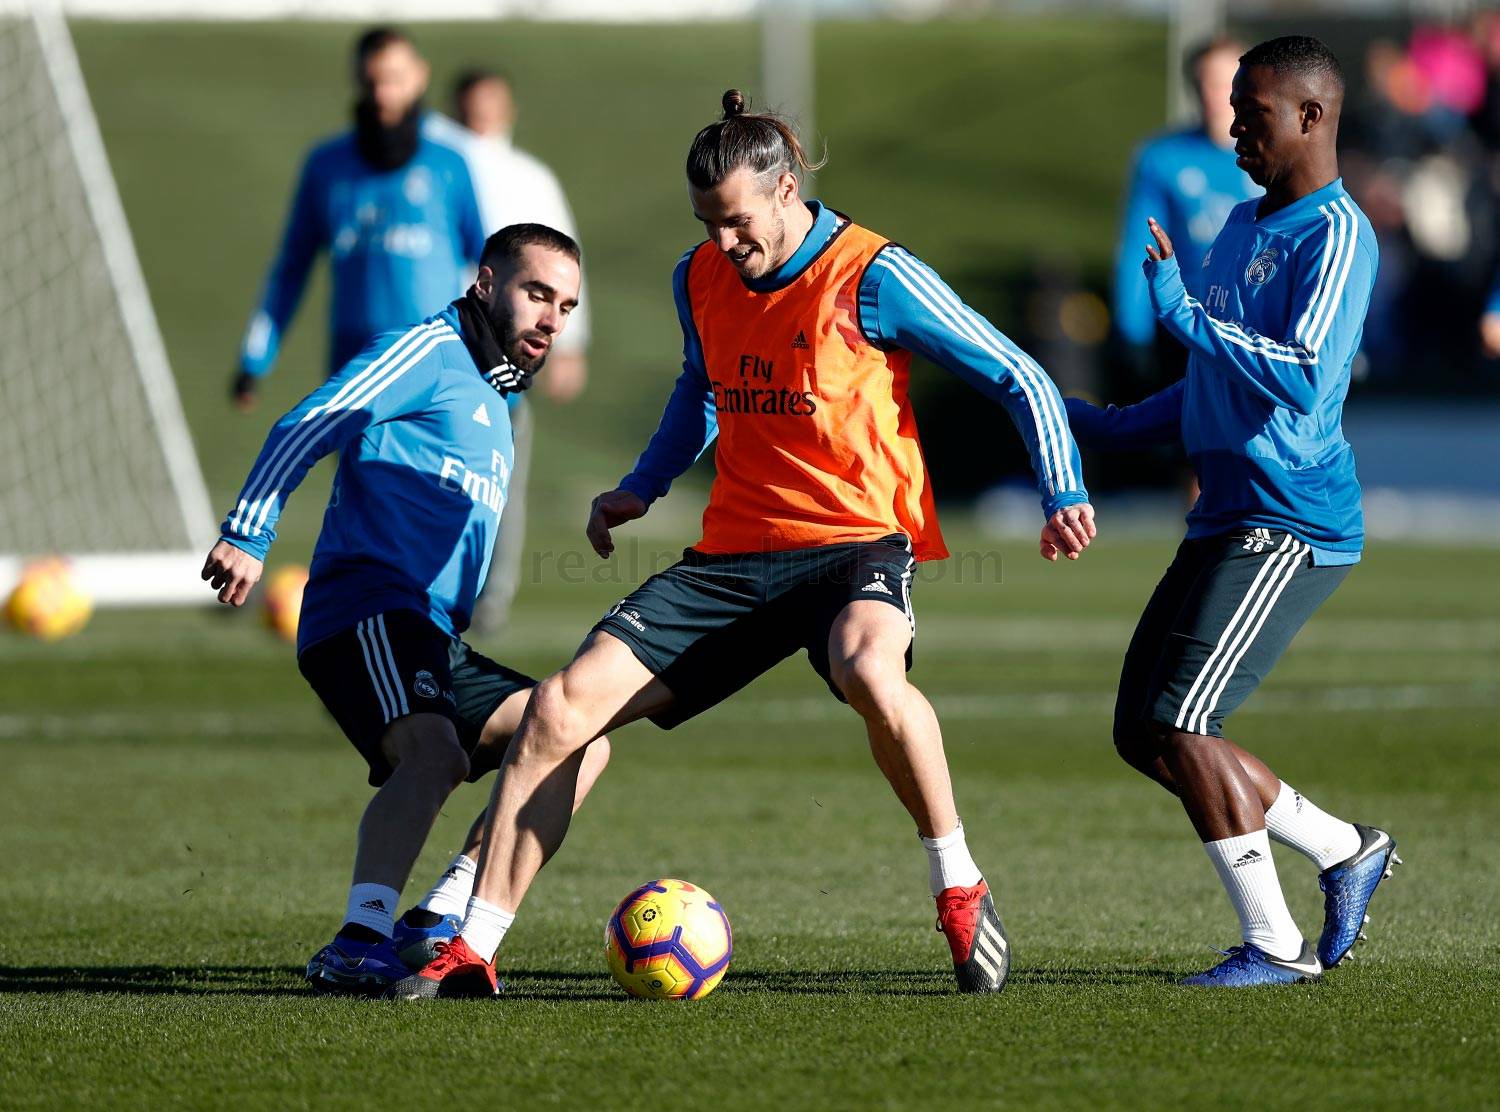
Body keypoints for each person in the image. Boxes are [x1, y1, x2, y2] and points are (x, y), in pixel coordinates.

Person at [389, 90, 1096, 1001]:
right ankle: (473, 944)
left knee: (870, 669)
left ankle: (958, 886)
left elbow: (1020, 374)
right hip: (732, 558)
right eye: (706, 224)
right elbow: (702, 389)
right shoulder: (699, 278)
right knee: (560, 708)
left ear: (786, 189)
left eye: (736, 222)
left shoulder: (873, 273)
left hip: (854, 544)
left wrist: (1062, 488)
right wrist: (643, 486)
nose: (722, 243)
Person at [1066, 37, 1398, 988]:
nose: (1234, 130)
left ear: (1311, 117)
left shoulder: (1337, 235)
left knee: (1182, 717)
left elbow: (1303, 375)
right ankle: (1342, 849)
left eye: (1253, 116)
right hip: (1227, 513)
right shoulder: (1242, 226)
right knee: (1143, 731)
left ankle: (1275, 944)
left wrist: (1184, 316)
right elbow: (1210, 380)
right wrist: (1102, 425)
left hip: (1291, 519)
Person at [202, 224, 608, 994]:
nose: (552, 319)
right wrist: (249, 530)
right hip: (365, 607)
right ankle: (359, 942)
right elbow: (312, 420)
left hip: (431, 635)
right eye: (536, 294)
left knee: (576, 740)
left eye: (566, 306)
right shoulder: (428, 351)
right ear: (486, 283)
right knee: (434, 755)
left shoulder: (497, 398)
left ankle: (437, 916)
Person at [229, 27, 484, 411]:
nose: (383, 95)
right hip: (355, 367)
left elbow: (489, 264)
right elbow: (291, 269)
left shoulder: (449, 166)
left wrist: (499, 356)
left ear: (420, 76)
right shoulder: (326, 167)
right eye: (372, 81)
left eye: (394, 79)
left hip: (437, 362)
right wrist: (255, 360)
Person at [425, 68, 593, 634]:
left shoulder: (529, 176)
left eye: (493, 104)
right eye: (474, 104)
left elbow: (564, 257)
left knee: (500, 468)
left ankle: (488, 595)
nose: (483, 115)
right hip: (451, 336)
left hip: (510, 345)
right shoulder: (434, 162)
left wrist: (572, 341)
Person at [1112, 37, 1260, 388]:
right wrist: (1133, 332)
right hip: (1189, 326)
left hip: (1258, 329)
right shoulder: (1163, 158)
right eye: (1205, 83)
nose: (1215, 95)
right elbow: (1140, 245)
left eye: (1226, 84)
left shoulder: (1274, 158)